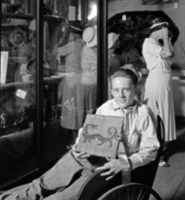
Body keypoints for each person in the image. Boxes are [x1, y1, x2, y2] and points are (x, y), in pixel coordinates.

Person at [0, 67, 159, 200]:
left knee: (61, 197)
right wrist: (80, 146)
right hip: (87, 156)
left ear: (135, 89)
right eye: (116, 90)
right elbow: (88, 130)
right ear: (111, 91)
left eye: (126, 89)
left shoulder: (143, 114)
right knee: (41, 184)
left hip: (110, 168)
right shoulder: (107, 107)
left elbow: (151, 150)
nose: (121, 95)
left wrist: (125, 164)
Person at [142, 17, 176, 167]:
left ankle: (159, 150)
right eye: (165, 30)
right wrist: (165, 35)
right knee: (157, 117)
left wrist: (166, 38)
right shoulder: (149, 43)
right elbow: (168, 54)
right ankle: (156, 154)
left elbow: (171, 54)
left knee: (163, 117)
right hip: (156, 86)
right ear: (159, 29)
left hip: (164, 87)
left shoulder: (158, 44)